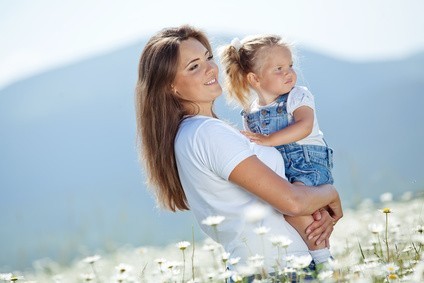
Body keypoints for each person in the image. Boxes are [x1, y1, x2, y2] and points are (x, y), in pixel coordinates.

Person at [135, 25, 342, 279]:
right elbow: (292, 201)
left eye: (208, 58)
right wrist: (330, 194)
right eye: (193, 66)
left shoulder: (195, 133)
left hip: (269, 269)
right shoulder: (207, 134)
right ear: (171, 87)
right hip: (281, 272)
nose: (211, 69)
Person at [220, 35, 336, 264]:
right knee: (289, 208)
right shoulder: (250, 113)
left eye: (290, 66)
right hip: (281, 170)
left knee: (298, 205)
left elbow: (305, 125)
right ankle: (313, 255)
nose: (289, 73)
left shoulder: (297, 95)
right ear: (255, 78)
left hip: (308, 164)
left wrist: (270, 139)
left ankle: (324, 261)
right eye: (279, 69)